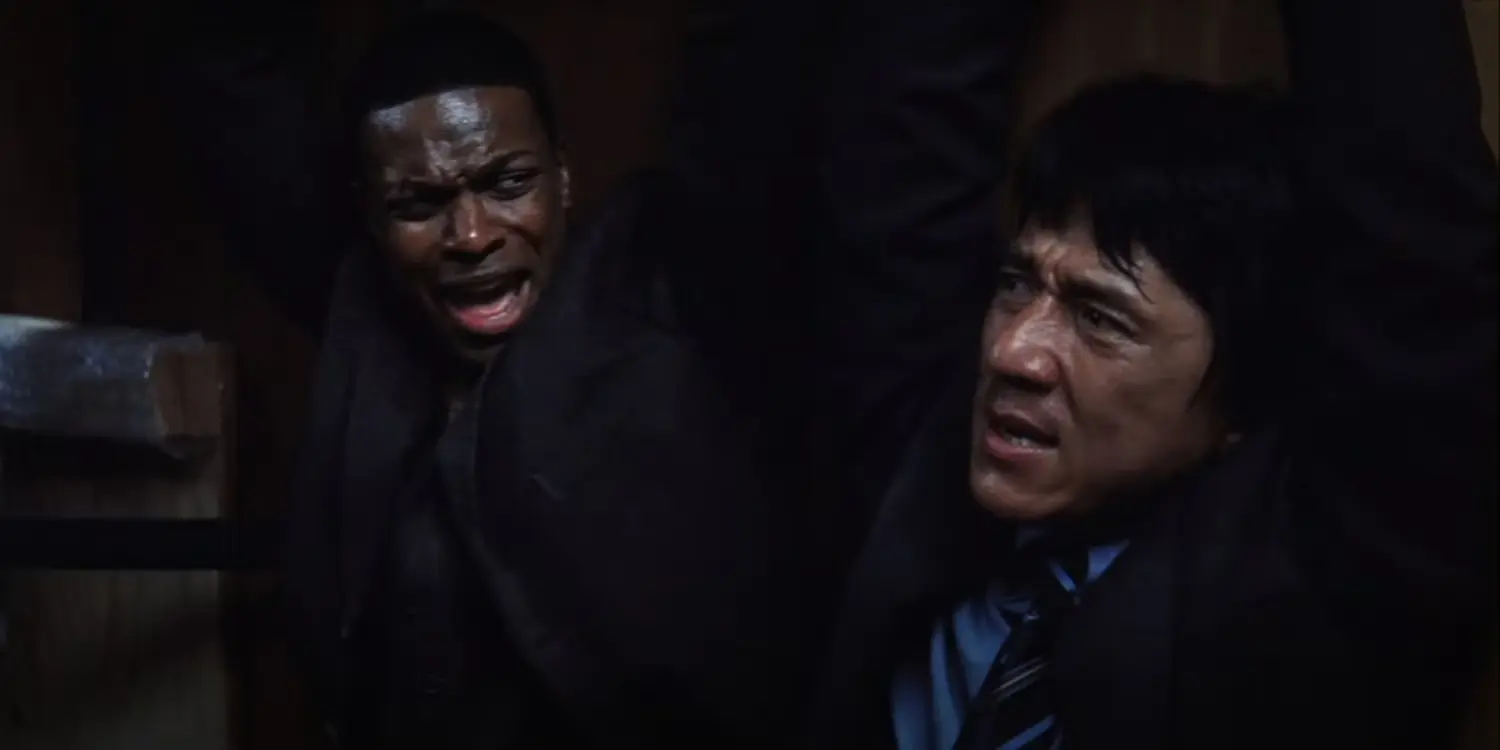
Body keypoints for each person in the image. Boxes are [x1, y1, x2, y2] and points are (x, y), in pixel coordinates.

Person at [166, 0, 1043, 746]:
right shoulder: (373, 311)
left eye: (508, 183)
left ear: (562, 175)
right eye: (422, 205)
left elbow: (840, 136)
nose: (471, 236)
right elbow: (232, 79)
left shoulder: (663, 318)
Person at [801, 0, 1498, 748]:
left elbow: (1416, 247)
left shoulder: (1313, 598)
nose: (1013, 352)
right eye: (1015, 284)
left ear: (1243, 402)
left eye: (1100, 318)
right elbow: (908, 156)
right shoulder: (925, 471)